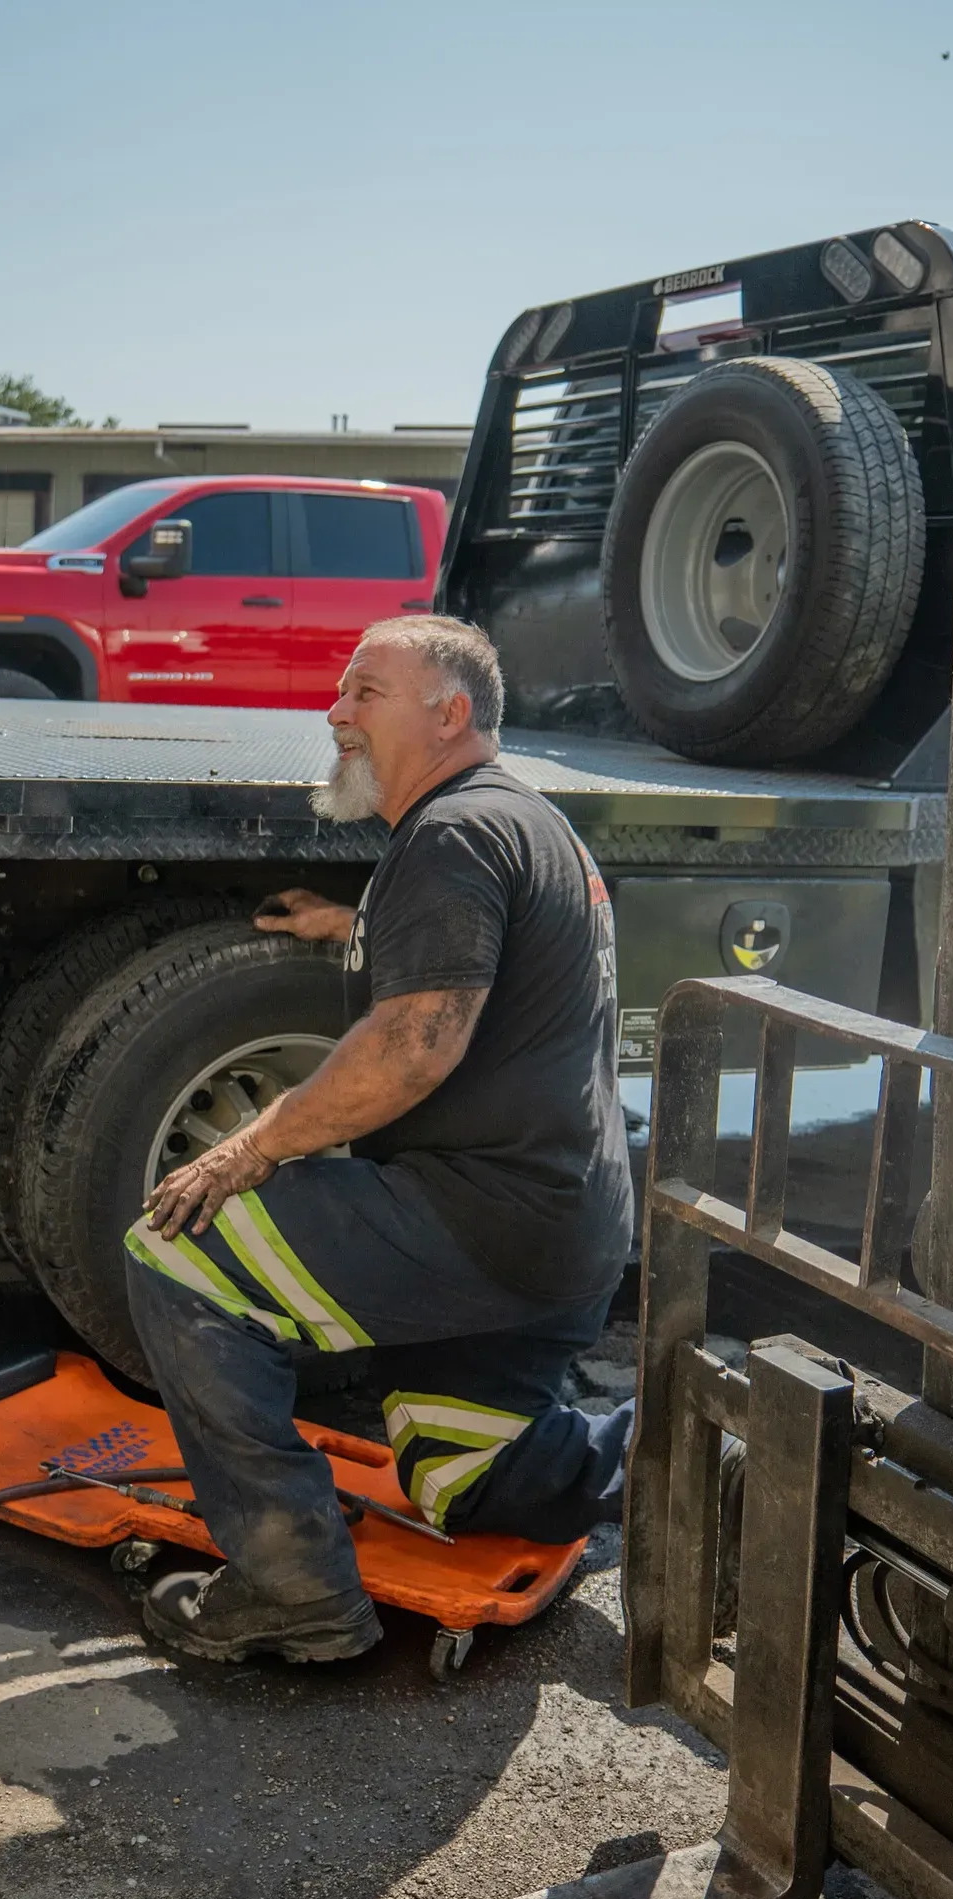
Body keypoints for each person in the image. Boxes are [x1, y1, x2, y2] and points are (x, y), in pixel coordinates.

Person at [123, 613, 635, 1664]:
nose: (334, 711)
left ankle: (291, 1585)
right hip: (565, 1232)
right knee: (458, 1476)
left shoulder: (449, 838)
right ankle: (704, 1447)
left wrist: (249, 1148)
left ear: (450, 714)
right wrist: (350, 921)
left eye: (365, 693)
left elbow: (413, 1047)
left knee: (173, 1254)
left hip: (484, 1217)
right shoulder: (516, 823)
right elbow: (472, 952)